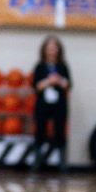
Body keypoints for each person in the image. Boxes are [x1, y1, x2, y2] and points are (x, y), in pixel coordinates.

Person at [31, 35, 70, 171]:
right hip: (43, 103)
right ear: (44, 50)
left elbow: (68, 84)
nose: (52, 50)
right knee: (40, 131)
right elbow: (35, 85)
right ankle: (37, 161)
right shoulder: (40, 66)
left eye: (54, 48)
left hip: (59, 104)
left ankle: (62, 163)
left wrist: (59, 80)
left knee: (60, 131)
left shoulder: (62, 66)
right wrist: (48, 81)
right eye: (49, 48)